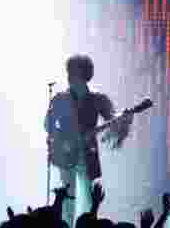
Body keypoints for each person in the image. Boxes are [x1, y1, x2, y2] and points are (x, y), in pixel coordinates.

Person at [45, 55, 132, 227]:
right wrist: (61, 140)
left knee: (87, 198)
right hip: (66, 156)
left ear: (84, 74)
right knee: (67, 199)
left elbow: (112, 120)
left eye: (72, 73)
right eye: (68, 72)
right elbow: (47, 125)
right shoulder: (60, 99)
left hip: (88, 155)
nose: (68, 76)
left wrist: (124, 118)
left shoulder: (98, 100)